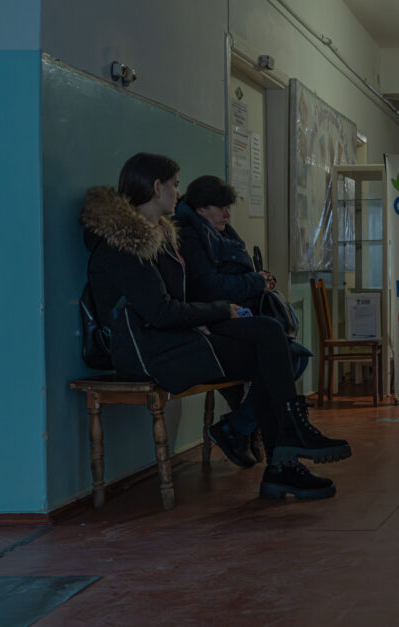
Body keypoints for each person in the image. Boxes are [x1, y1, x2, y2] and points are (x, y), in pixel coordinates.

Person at [80, 153, 351, 501]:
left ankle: (287, 446)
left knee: (268, 332)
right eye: (175, 185)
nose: (179, 194)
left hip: (176, 338)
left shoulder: (159, 236)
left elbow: (172, 301)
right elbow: (160, 312)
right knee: (265, 352)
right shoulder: (124, 244)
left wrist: (209, 318)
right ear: (157, 186)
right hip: (151, 352)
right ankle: (285, 452)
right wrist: (218, 312)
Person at [174, 175, 311, 468]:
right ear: (200, 208)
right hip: (216, 320)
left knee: (294, 355)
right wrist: (254, 282)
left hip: (238, 315)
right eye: (220, 207)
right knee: (286, 352)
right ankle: (272, 442)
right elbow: (207, 287)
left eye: (227, 207)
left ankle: (239, 427)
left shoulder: (221, 233)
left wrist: (260, 280)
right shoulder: (190, 235)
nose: (227, 213)